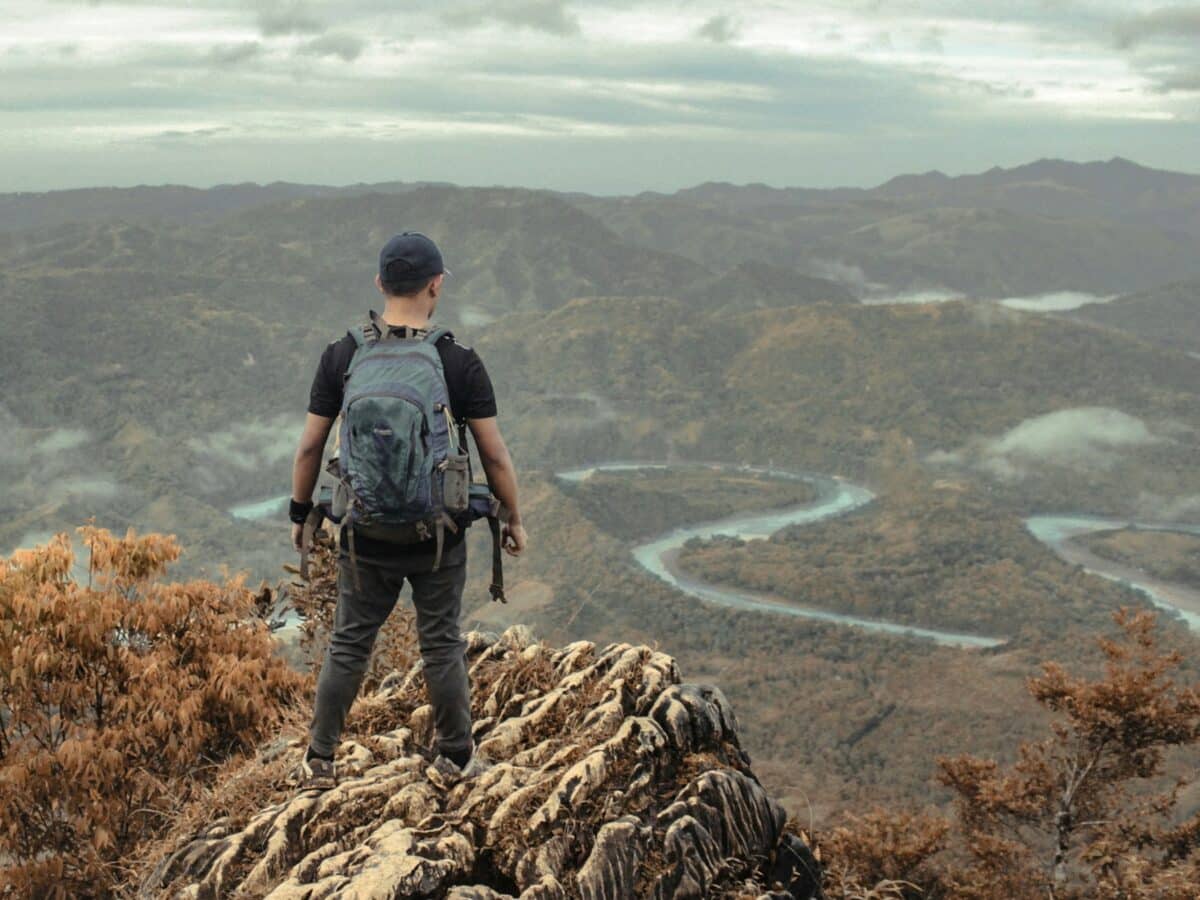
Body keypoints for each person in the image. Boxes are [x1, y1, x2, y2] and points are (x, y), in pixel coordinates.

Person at [288, 231, 527, 790]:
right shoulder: (457, 361)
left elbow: (309, 448)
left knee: (350, 642)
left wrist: (301, 513)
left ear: (379, 284)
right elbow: (493, 453)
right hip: (436, 535)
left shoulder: (343, 355)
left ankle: (320, 759)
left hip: (364, 533)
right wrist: (512, 517)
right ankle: (455, 756)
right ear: (435, 285)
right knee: (440, 640)